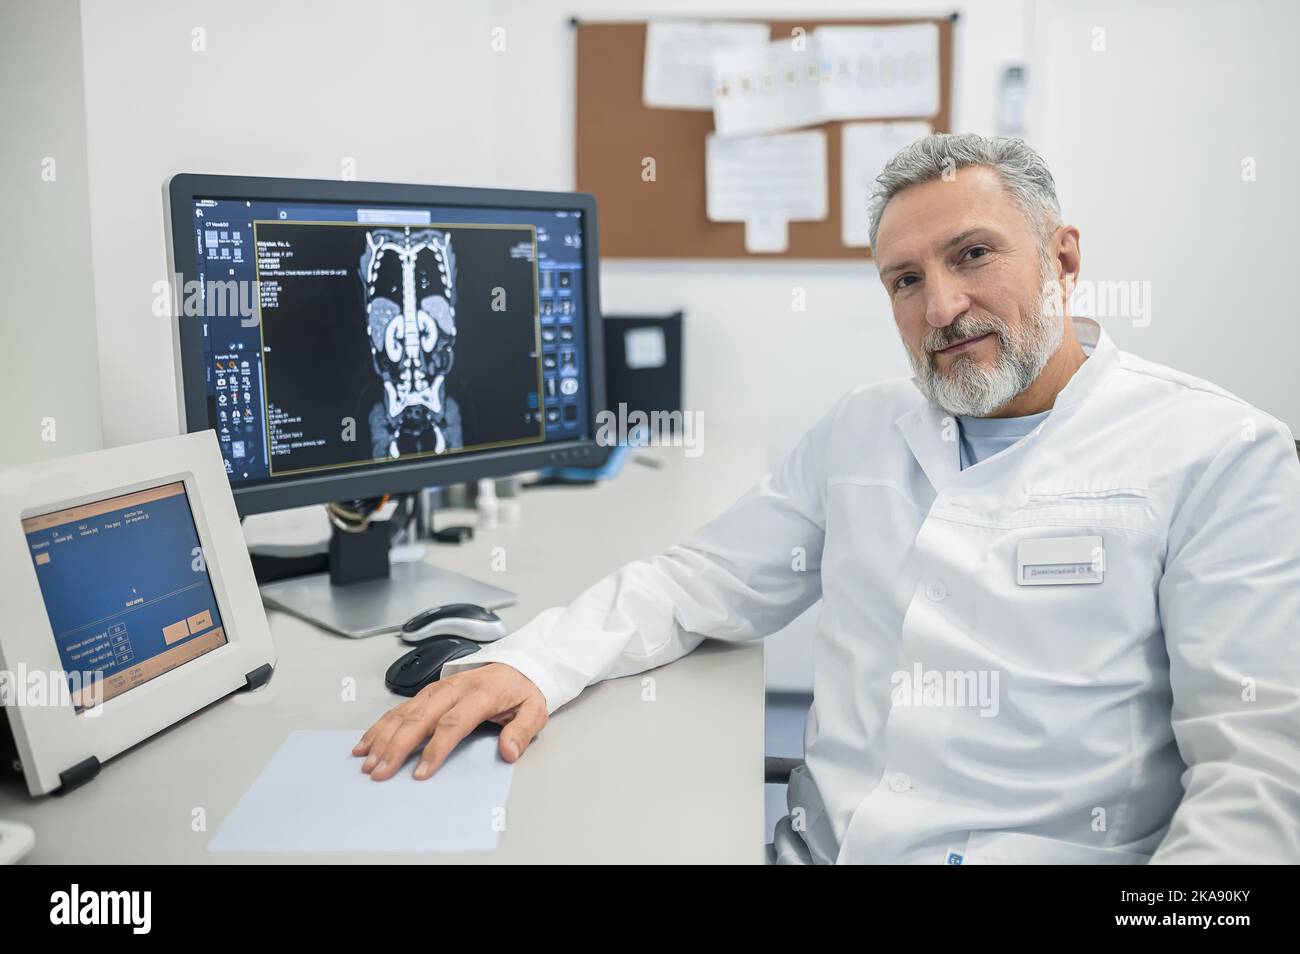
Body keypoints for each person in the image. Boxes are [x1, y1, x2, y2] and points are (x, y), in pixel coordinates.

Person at [353, 133, 1300, 864]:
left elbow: (1256, 776)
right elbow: (697, 582)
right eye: (906, 280)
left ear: (1063, 256)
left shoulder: (1217, 453)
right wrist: (531, 664)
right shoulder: (866, 428)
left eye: (974, 255)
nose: (940, 309)